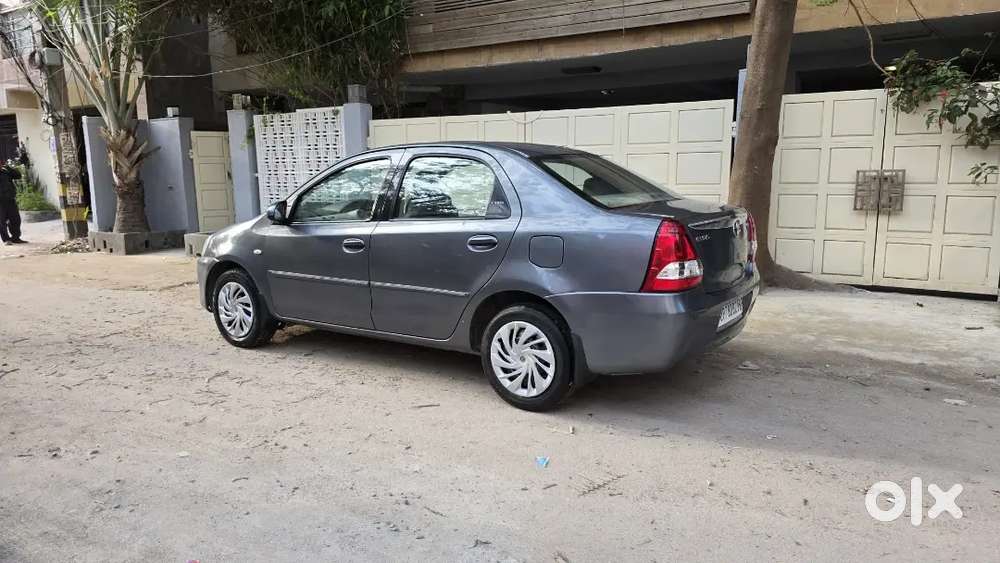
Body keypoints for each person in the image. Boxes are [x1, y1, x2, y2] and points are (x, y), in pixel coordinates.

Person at [0, 152, 27, 245]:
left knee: (15, 219)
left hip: (10, 200)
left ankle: (16, 237)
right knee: (1, 221)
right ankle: (6, 239)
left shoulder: (6, 171)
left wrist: (8, 167)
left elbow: (18, 175)